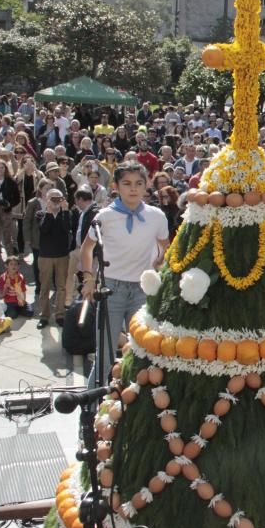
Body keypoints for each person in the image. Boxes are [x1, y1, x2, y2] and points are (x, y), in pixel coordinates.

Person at [81, 162, 170, 386]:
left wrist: (158, 262)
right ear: (116, 186)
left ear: (146, 185)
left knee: (142, 350)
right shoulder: (104, 216)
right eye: (127, 184)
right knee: (106, 354)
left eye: (139, 184)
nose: (133, 189)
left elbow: (165, 246)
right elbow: (87, 249)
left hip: (141, 290)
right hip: (111, 288)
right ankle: (91, 407)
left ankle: (134, 405)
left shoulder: (156, 216)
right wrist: (89, 278)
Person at [36, 187, 71, 328]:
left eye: (59, 198)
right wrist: (49, 212)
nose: (56, 201)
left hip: (62, 255)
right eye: (53, 198)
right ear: (47, 199)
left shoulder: (66, 213)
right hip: (45, 256)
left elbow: (67, 228)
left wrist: (65, 210)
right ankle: (44, 316)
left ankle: (60, 314)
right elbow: (44, 229)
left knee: (61, 287)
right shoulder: (40, 213)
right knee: (44, 287)